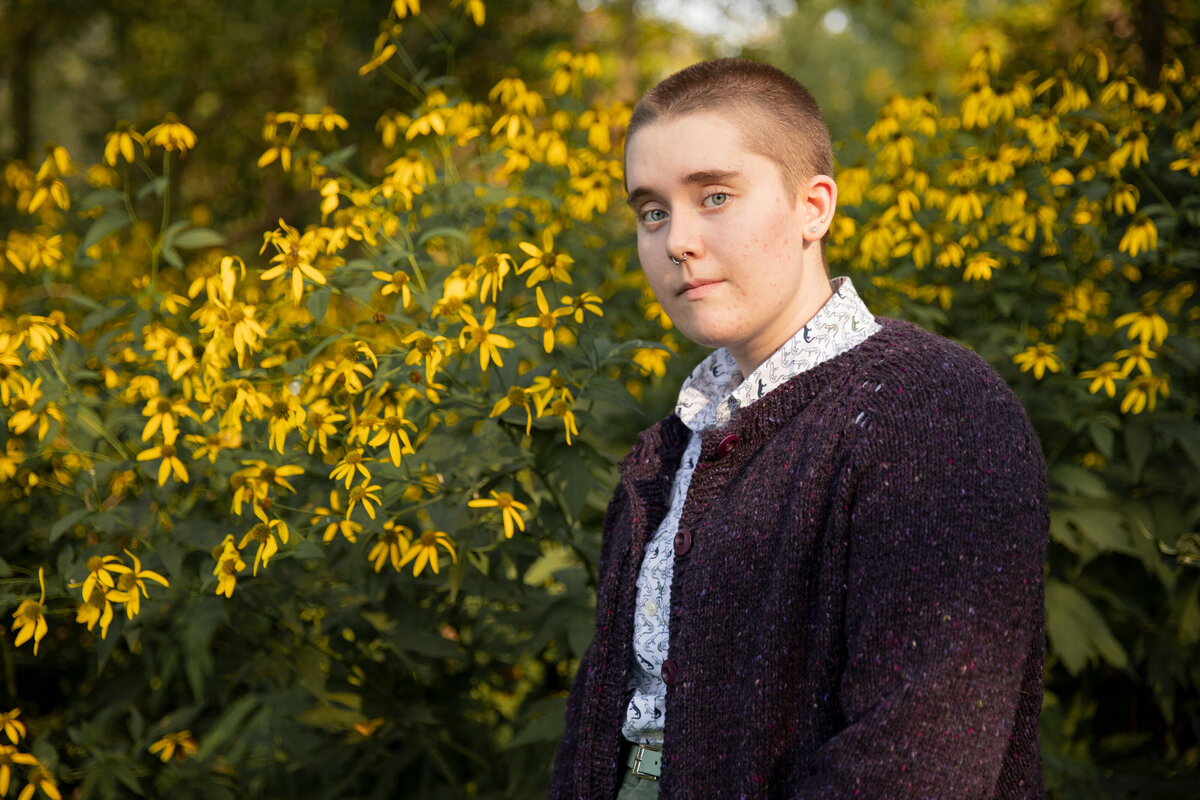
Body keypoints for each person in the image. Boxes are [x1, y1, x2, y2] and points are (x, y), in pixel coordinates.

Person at [548, 59, 1048, 800]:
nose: (676, 240)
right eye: (652, 211)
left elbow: (915, 763)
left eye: (714, 196)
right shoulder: (667, 452)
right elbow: (600, 731)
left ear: (814, 207)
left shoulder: (927, 407)